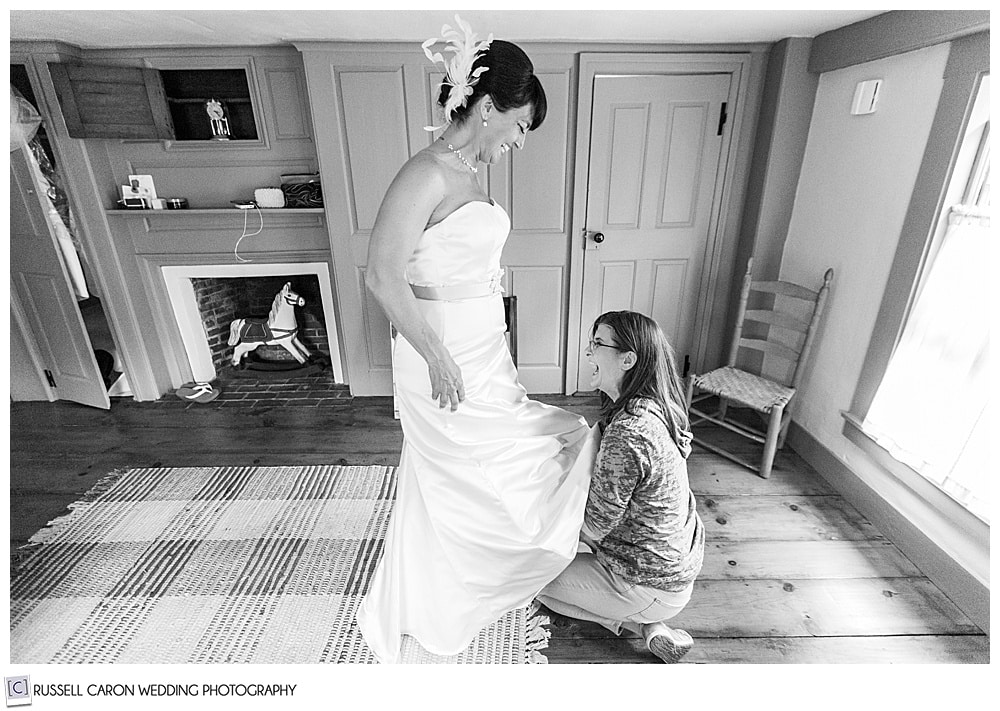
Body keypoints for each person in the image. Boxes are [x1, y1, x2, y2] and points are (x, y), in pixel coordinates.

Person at [356, 17, 598, 663]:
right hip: (441, 353)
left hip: (483, 347)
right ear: (489, 108)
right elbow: (382, 274)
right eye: (520, 125)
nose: (520, 141)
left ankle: (473, 575)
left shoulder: (467, 176)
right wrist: (437, 355)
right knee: (465, 475)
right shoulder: (426, 173)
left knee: (514, 454)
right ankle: (449, 593)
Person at [536, 311, 705, 663]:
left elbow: (593, 528)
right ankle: (652, 626)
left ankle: (642, 621)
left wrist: (535, 510)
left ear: (628, 359)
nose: (588, 353)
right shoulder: (654, 406)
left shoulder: (629, 432)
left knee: (526, 578)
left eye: (597, 344)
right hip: (671, 563)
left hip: (648, 578)